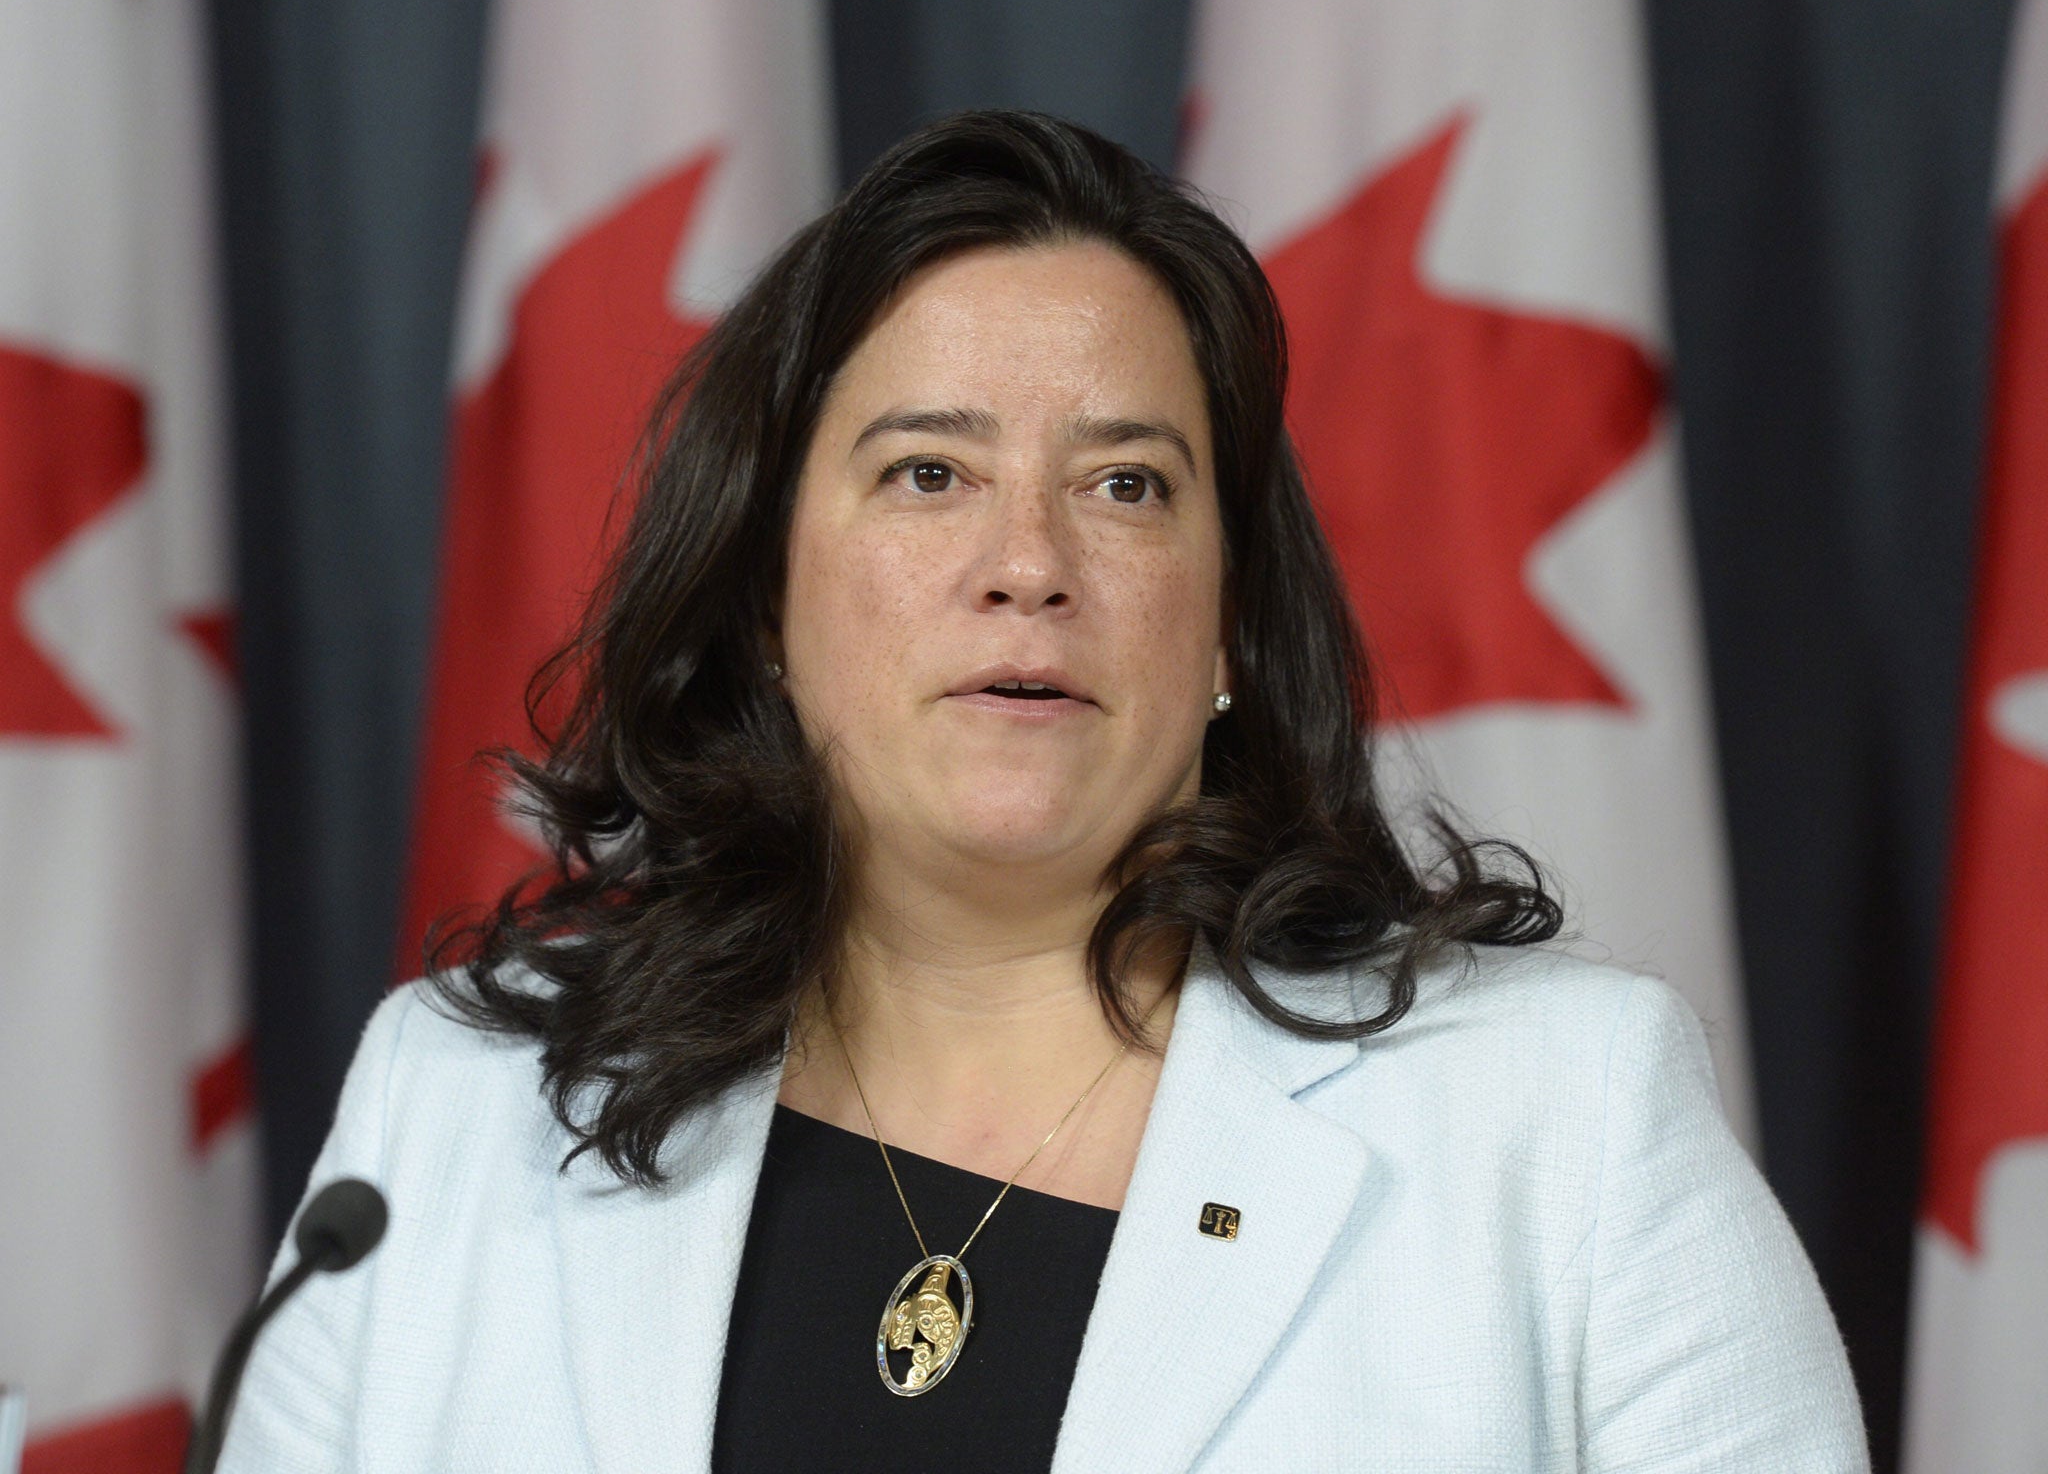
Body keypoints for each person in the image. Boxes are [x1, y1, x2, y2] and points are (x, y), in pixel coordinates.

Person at [218, 109, 1868, 1472]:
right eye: (929, 474)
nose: (1030, 564)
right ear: (769, 597)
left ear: (1227, 620)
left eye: (1128, 485)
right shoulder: (444, 1116)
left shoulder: (1560, 1126)